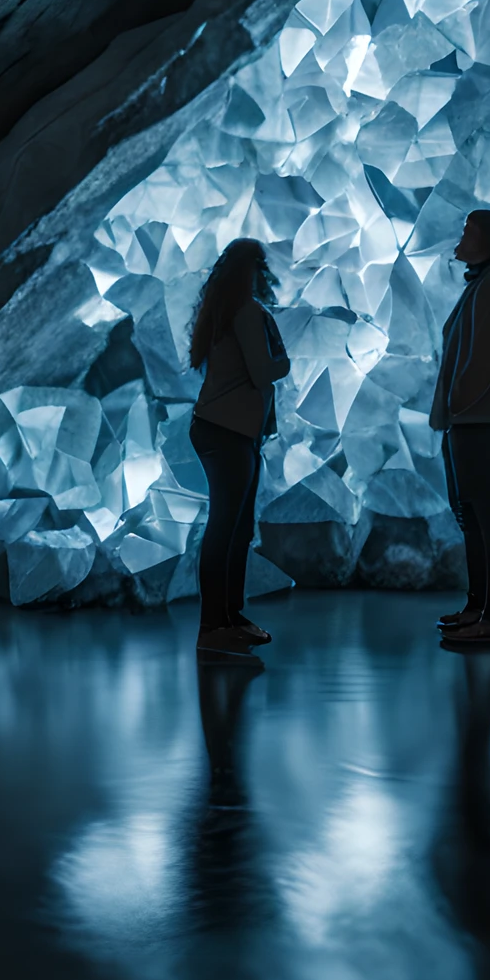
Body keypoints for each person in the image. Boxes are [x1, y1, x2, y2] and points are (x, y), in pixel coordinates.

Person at [430, 207, 490, 648]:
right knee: (473, 513)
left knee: (483, 513)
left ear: (486, 240)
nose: (460, 236)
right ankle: (478, 606)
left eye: (467, 230)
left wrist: (458, 404)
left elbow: (483, 359)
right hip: (470, 417)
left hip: (475, 418)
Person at [188, 237, 291, 662]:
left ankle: (229, 619)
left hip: (224, 431)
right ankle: (214, 626)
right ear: (252, 270)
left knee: (236, 528)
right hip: (227, 433)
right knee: (226, 528)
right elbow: (266, 371)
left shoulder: (225, 310)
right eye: (260, 266)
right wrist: (285, 357)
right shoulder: (248, 313)